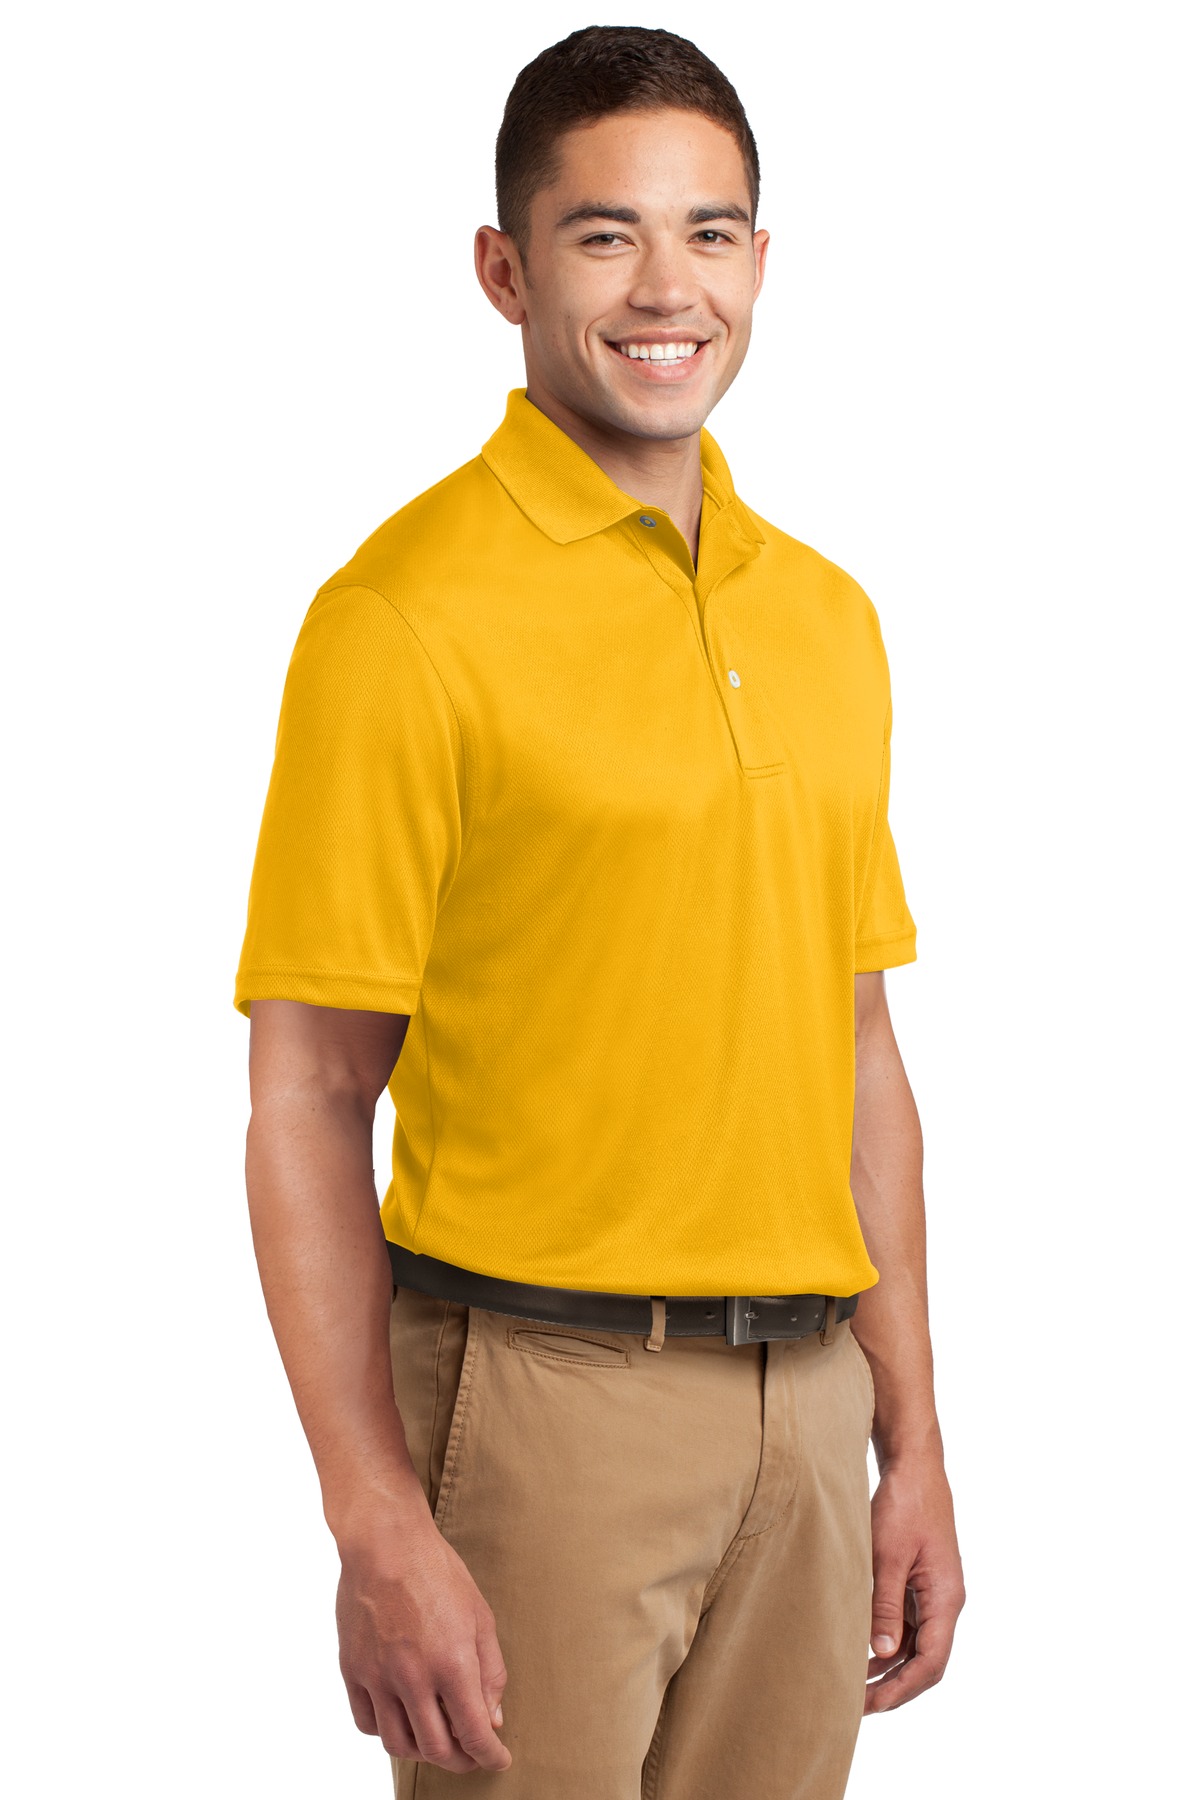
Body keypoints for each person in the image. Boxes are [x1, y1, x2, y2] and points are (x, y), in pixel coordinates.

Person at [233, 24, 965, 1799]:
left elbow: (857, 1045)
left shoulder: (827, 618)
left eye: (708, 233)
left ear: (762, 260)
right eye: (603, 234)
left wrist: (916, 1437)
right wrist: (372, 1515)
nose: (665, 289)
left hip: (811, 1411)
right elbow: (310, 1092)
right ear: (505, 269)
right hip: (540, 1403)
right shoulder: (403, 618)